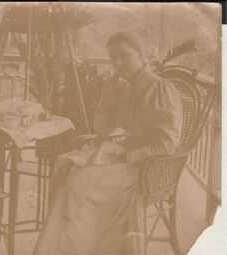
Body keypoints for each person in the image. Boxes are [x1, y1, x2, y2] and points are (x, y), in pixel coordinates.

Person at [33, 31, 184, 254]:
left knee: (77, 183)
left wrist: (128, 155)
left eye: (124, 56)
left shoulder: (158, 88)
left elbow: (167, 143)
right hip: (118, 157)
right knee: (64, 174)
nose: (118, 63)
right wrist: (108, 94)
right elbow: (102, 130)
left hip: (143, 166)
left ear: (141, 55)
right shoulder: (121, 87)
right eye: (113, 58)